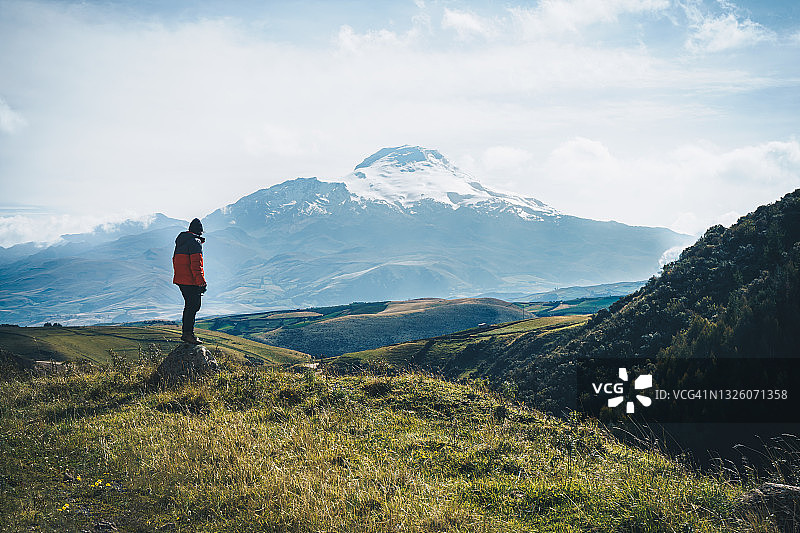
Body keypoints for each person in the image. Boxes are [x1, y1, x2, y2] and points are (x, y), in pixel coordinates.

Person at [172, 218, 207, 345]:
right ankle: (188, 334)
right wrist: (201, 282)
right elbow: (196, 265)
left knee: (190, 305)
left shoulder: (182, 241)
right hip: (190, 280)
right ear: (200, 231)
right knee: (193, 306)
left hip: (181, 279)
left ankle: (187, 333)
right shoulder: (195, 242)